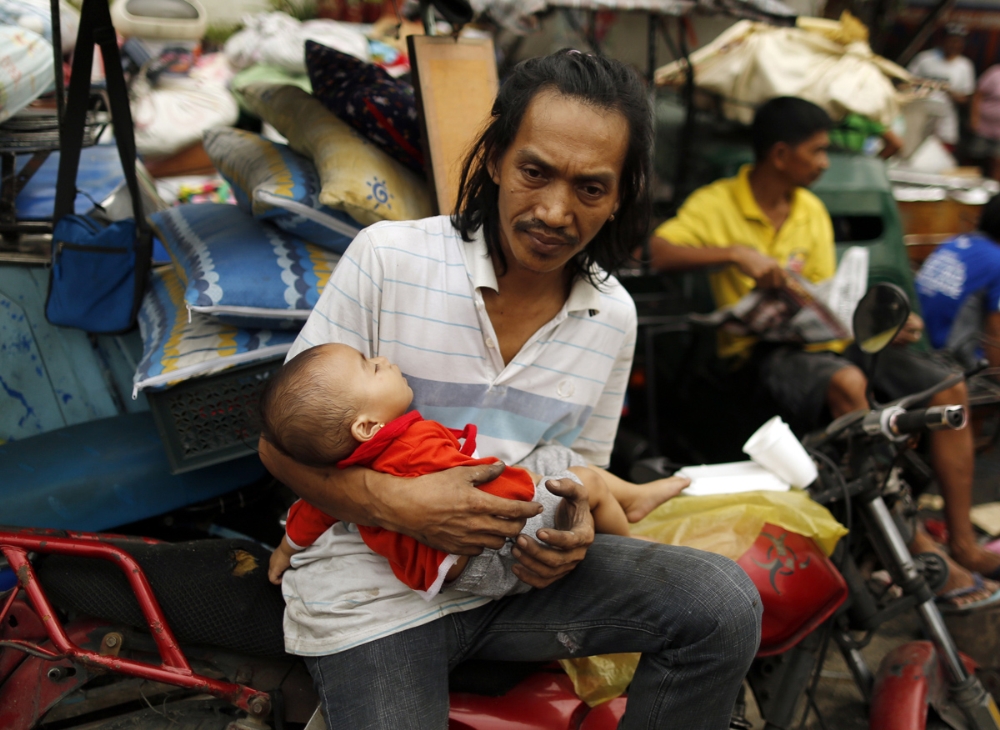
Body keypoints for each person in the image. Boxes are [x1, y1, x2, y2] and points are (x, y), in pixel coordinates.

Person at [258, 50, 762, 730]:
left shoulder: (612, 315)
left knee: (723, 603)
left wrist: (574, 532)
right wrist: (402, 505)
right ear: (495, 159)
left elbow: (582, 471)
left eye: (590, 188)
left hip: (516, 587)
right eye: (534, 172)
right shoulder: (390, 259)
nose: (555, 211)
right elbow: (280, 447)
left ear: (619, 197)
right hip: (372, 599)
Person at [646, 96, 1000, 603]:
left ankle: (962, 540)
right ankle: (912, 543)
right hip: (759, 355)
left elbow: (825, 293)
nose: (825, 163)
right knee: (847, 384)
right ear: (781, 154)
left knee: (948, 389)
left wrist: (880, 323)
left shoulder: (810, 208)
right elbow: (659, 250)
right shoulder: (717, 202)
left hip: (827, 342)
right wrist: (734, 254)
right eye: (817, 151)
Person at [261, 342, 656, 597]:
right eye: (371, 368)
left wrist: (284, 550)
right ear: (366, 426)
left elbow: (309, 512)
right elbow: (487, 497)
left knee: (553, 455)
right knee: (583, 483)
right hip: (494, 551)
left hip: (465, 562)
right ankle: (639, 564)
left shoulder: (347, 470)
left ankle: (632, 498)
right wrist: (533, 486)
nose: (382, 359)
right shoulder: (416, 447)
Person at [916, 193, 1000, 370]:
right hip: (954, 367)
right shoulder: (996, 262)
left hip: (919, 349)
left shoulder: (954, 242)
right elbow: (996, 336)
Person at [907, 23, 976, 153]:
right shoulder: (925, 58)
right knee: (914, 143)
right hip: (920, 108)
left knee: (942, 148)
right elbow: (907, 82)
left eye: (958, 41)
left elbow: (966, 98)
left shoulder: (964, 65)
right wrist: (924, 85)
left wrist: (948, 91)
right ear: (943, 40)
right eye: (951, 40)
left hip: (945, 113)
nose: (954, 44)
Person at [969, 66, 1000, 180]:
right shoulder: (994, 73)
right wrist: (974, 119)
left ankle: (995, 193)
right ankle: (971, 189)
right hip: (984, 126)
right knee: (976, 159)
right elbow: (978, 95)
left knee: (997, 163)